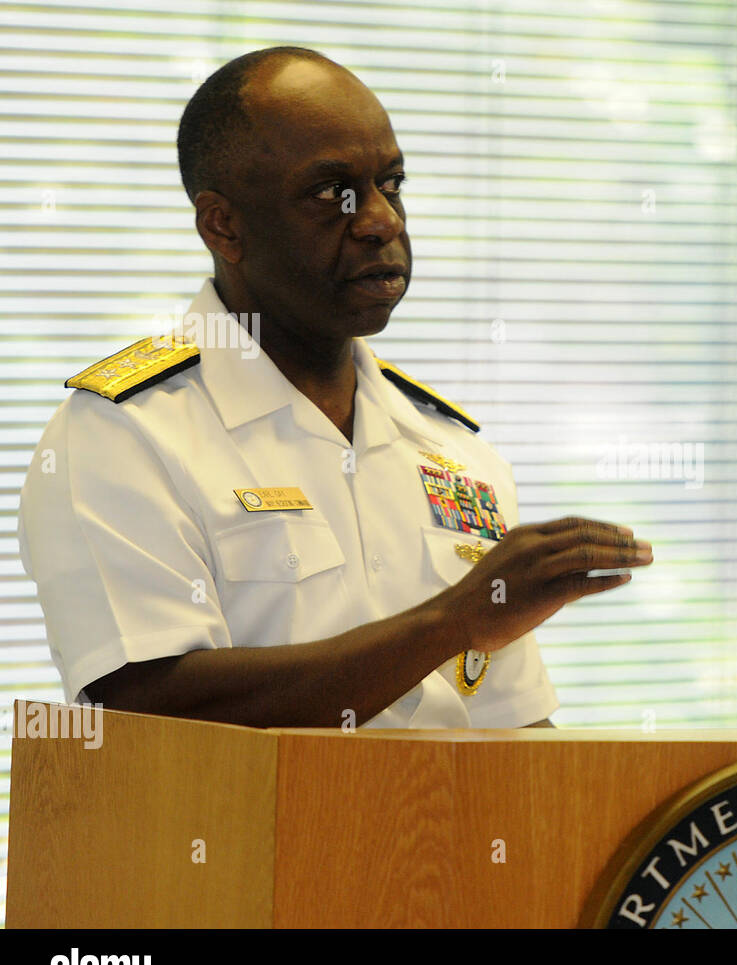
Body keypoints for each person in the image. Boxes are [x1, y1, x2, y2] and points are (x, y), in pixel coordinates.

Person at [16, 46, 652, 730]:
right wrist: (451, 621)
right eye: (332, 193)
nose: (383, 221)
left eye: (392, 184)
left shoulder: (453, 454)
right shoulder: (125, 435)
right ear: (223, 226)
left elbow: (513, 729)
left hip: (445, 834)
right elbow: (147, 705)